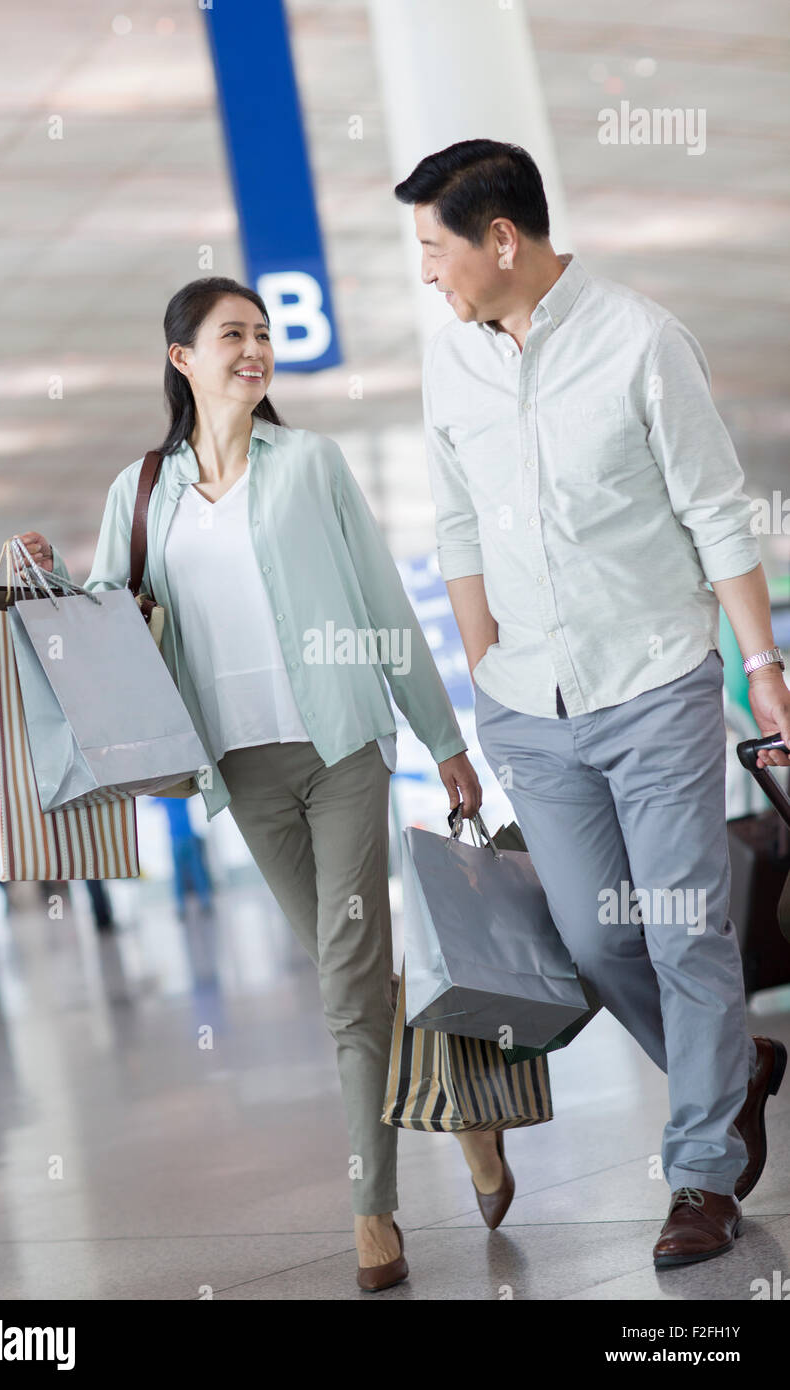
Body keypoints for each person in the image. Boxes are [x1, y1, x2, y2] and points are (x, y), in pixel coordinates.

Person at [16, 275, 482, 1291]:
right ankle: (467, 1109)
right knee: (348, 969)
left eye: (263, 334)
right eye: (232, 334)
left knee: (346, 987)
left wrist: (445, 739)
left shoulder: (309, 464)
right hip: (242, 770)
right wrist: (47, 579)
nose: (254, 349)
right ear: (180, 357)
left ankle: (372, 1210)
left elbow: (380, 606)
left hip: (343, 750)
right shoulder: (140, 492)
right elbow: (108, 623)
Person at [394, 139, 790, 1269]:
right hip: (529, 707)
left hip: (655, 681)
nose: (427, 271)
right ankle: (734, 1070)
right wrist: (482, 667)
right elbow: (457, 526)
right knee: (594, 937)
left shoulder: (641, 343)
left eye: (434, 247)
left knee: (682, 933)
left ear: (500, 240)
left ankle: (699, 1172)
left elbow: (717, 515)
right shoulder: (447, 365)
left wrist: (759, 668)